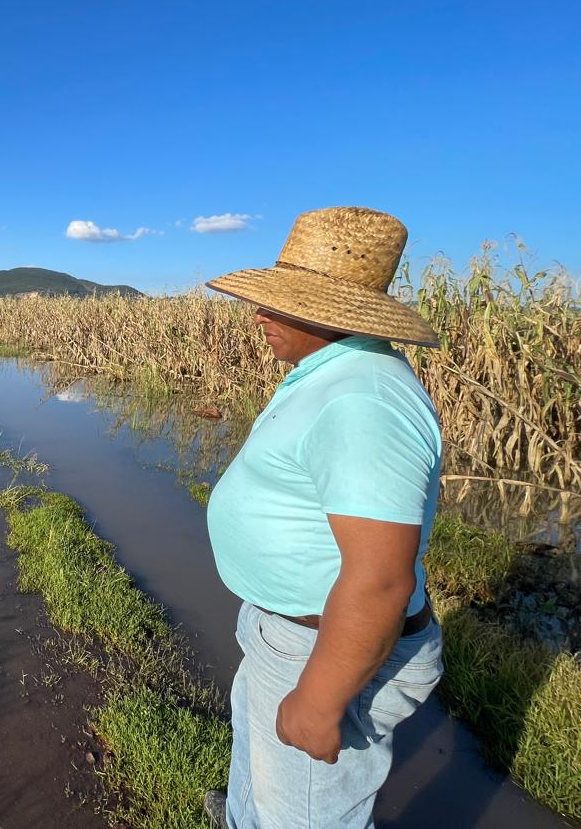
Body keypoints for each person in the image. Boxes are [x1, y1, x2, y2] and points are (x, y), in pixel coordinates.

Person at [201, 206, 445, 829]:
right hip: (287, 633)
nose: (258, 314)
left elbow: (382, 579)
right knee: (259, 781)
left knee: (305, 816)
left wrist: (319, 697)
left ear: (330, 314)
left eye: (278, 303)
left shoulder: (365, 399)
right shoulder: (330, 374)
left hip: (324, 649)